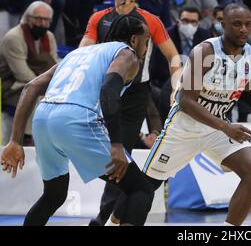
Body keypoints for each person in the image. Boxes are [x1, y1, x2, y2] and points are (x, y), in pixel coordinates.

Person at [109, 4, 251, 226]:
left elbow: (248, 95)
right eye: (236, 24)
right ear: (222, 25)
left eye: (247, 24)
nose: (243, 29)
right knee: (146, 186)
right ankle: (113, 222)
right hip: (184, 128)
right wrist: (226, 127)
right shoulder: (204, 51)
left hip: (216, 129)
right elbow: (186, 101)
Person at [0, 15, 158, 226]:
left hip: (43, 118)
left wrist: (15, 140)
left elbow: (31, 87)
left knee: (53, 195)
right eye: (146, 39)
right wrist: (117, 143)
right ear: (133, 40)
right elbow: (109, 88)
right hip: (76, 118)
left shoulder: (78, 53)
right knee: (140, 189)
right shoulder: (127, 54)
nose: (147, 46)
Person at [78, 0, 181, 226]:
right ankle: (115, 215)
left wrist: (176, 86)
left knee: (120, 156)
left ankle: (104, 219)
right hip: (106, 91)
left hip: (135, 96)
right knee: (115, 158)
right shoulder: (98, 19)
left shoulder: (150, 20)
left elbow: (174, 57)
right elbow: (82, 52)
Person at [0, 1, 58, 139]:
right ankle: (28, 136)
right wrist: (47, 87)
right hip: (11, 85)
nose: (42, 24)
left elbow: (54, 64)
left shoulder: (49, 36)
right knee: (37, 95)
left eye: (46, 20)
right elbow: (22, 74)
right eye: (38, 19)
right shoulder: (13, 37)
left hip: (39, 80)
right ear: (28, 18)